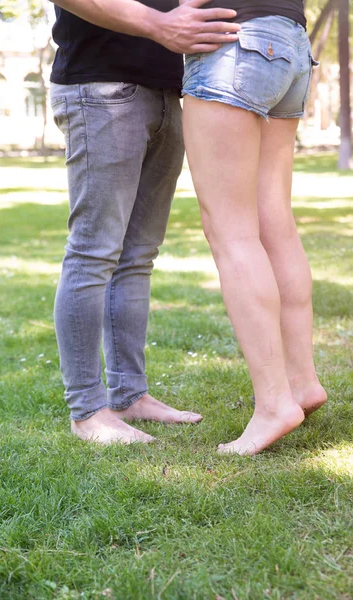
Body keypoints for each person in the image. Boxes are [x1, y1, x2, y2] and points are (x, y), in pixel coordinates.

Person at [49, 0, 240, 445]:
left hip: (169, 89)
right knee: (93, 252)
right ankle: (87, 411)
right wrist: (159, 24)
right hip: (100, 86)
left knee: (137, 257)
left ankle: (129, 395)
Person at [182, 0, 327, 455]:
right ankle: (301, 384)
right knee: (273, 223)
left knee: (231, 231)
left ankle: (273, 404)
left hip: (232, 43)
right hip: (290, 40)